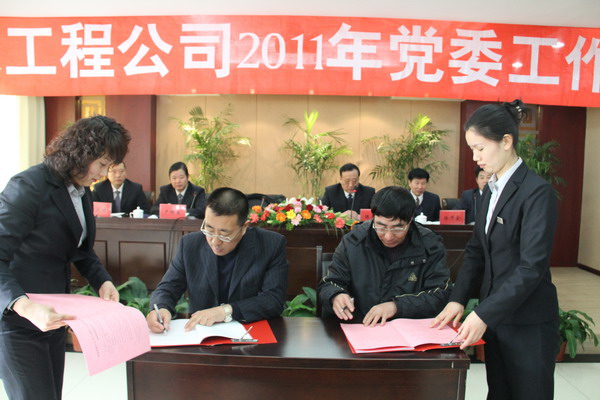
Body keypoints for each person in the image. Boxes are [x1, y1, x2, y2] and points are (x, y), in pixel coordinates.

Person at [431, 100, 559, 399]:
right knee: (499, 392)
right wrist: (458, 299)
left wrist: (484, 313)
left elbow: (531, 267)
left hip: (528, 322)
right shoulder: (490, 189)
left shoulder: (536, 192)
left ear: (506, 141)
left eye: (480, 148)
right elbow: (476, 251)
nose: (475, 157)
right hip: (497, 318)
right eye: (471, 149)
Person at [0, 115, 130, 400]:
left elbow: (78, 248)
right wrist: (25, 306)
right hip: (20, 322)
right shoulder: (28, 186)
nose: (104, 173)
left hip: (54, 318)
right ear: (82, 152)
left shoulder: (81, 190)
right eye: (102, 164)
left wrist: (102, 280)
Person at [148, 187, 288, 332]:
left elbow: (273, 300)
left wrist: (226, 311)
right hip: (201, 333)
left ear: (244, 228)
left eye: (224, 234)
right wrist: (161, 308)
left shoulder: (270, 245)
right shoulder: (190, 244)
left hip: (250, 333)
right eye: (209, 229)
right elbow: (168, 287)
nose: (215, 241)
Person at [318, 186, 451, 326]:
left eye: (397, 228)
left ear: (410, 220)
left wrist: (396, 306)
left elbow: (441, 294)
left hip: (411, 330)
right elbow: (330, 283)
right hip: (361, 327)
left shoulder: (430, 245)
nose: (388, 236)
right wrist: (335, 295)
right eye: (381, 227)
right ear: (373, 218)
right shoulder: (353, 242)